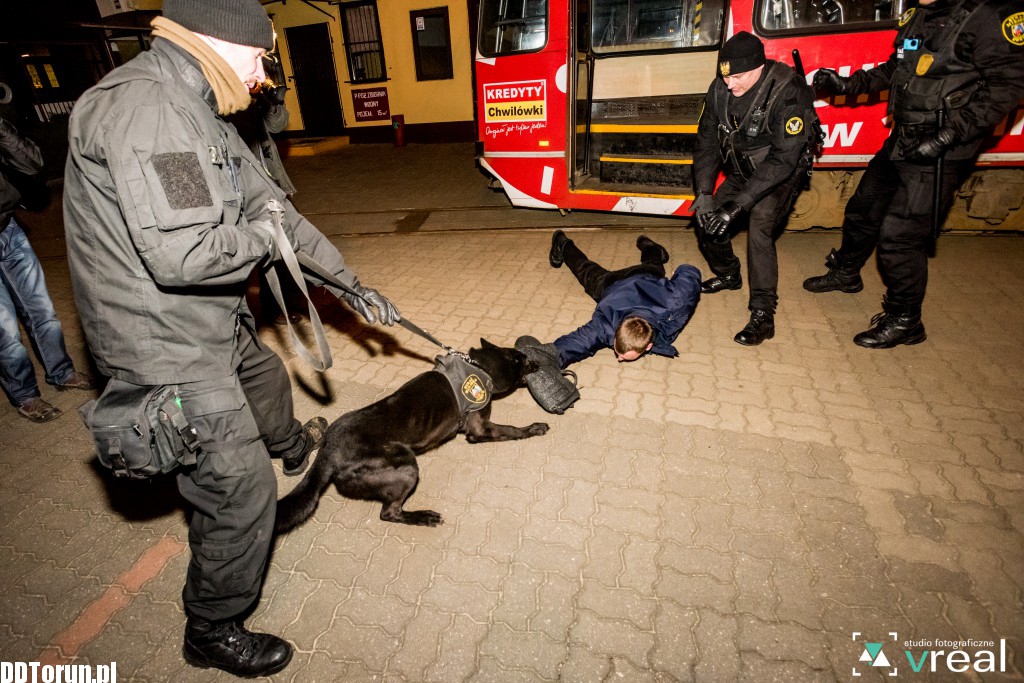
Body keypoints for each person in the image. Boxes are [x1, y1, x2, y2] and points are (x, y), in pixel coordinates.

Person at [62, 0, 399, 677]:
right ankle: (212, 626)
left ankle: (290, 441)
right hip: (159, 338)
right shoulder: (151, 109)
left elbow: (271, 208)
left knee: (267, 377)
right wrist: (264, 240)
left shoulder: (196, 108)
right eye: (261, 56)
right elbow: (185, 253)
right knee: (241, 492)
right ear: (215, 41)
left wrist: (347, 282)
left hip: (206, 317)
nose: (266, 74)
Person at [803, 0, 1024, 348]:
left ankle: (906, 321)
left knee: (900, 237)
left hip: (943, 149)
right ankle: (846, 273)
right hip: (904, 137)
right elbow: (897, 68)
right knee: (863, 208)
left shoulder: (989, 16)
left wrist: (947, 136)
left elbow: (1007, 88)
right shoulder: (921, 13)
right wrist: (846, 84)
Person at [691, 31, 819, 346]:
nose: (730, 84)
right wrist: (705, 193)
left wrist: (738, 206)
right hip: (741, 169)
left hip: (779, 174)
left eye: (738, 76)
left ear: (758, 66)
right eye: (725, 75)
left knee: (760, 225)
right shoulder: (720, 88)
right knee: (708, 221)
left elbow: (783, 160)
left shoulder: (788, 91)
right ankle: (730, 274)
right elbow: (706, 142)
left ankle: (763, 314)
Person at [0, 116, 93, 422]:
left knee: (43, 311)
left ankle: (61, 372)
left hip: (8, 230)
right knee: (6, 331)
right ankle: (25, 396)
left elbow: (32, 163)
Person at [548, 230, 701, 366]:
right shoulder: (607, 324)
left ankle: (651, 247)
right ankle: (563, 243)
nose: (619, 359)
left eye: (622, 356)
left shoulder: (675, 305)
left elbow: (690, 275)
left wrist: (680, 273)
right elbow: (576, 343)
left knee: (654, 266)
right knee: (585, 270)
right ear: (617, 332)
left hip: (647, 275)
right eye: (619, 353)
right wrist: (543, 360)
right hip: (613, 283)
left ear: (648, 346)